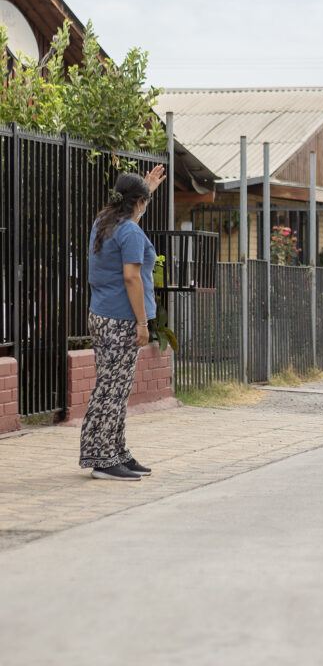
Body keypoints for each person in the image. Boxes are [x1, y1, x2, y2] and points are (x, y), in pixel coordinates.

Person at [79, 166, 166, 481]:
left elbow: (129, 225)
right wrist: (142, 323)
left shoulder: (104, 223)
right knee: (112, 390)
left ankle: (117, 452)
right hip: (122, 319)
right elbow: (131, 276)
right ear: (138, 202)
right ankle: (103, 460)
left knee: (114, 387)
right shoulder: (128, 231)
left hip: (102, 316)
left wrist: (146, 191)